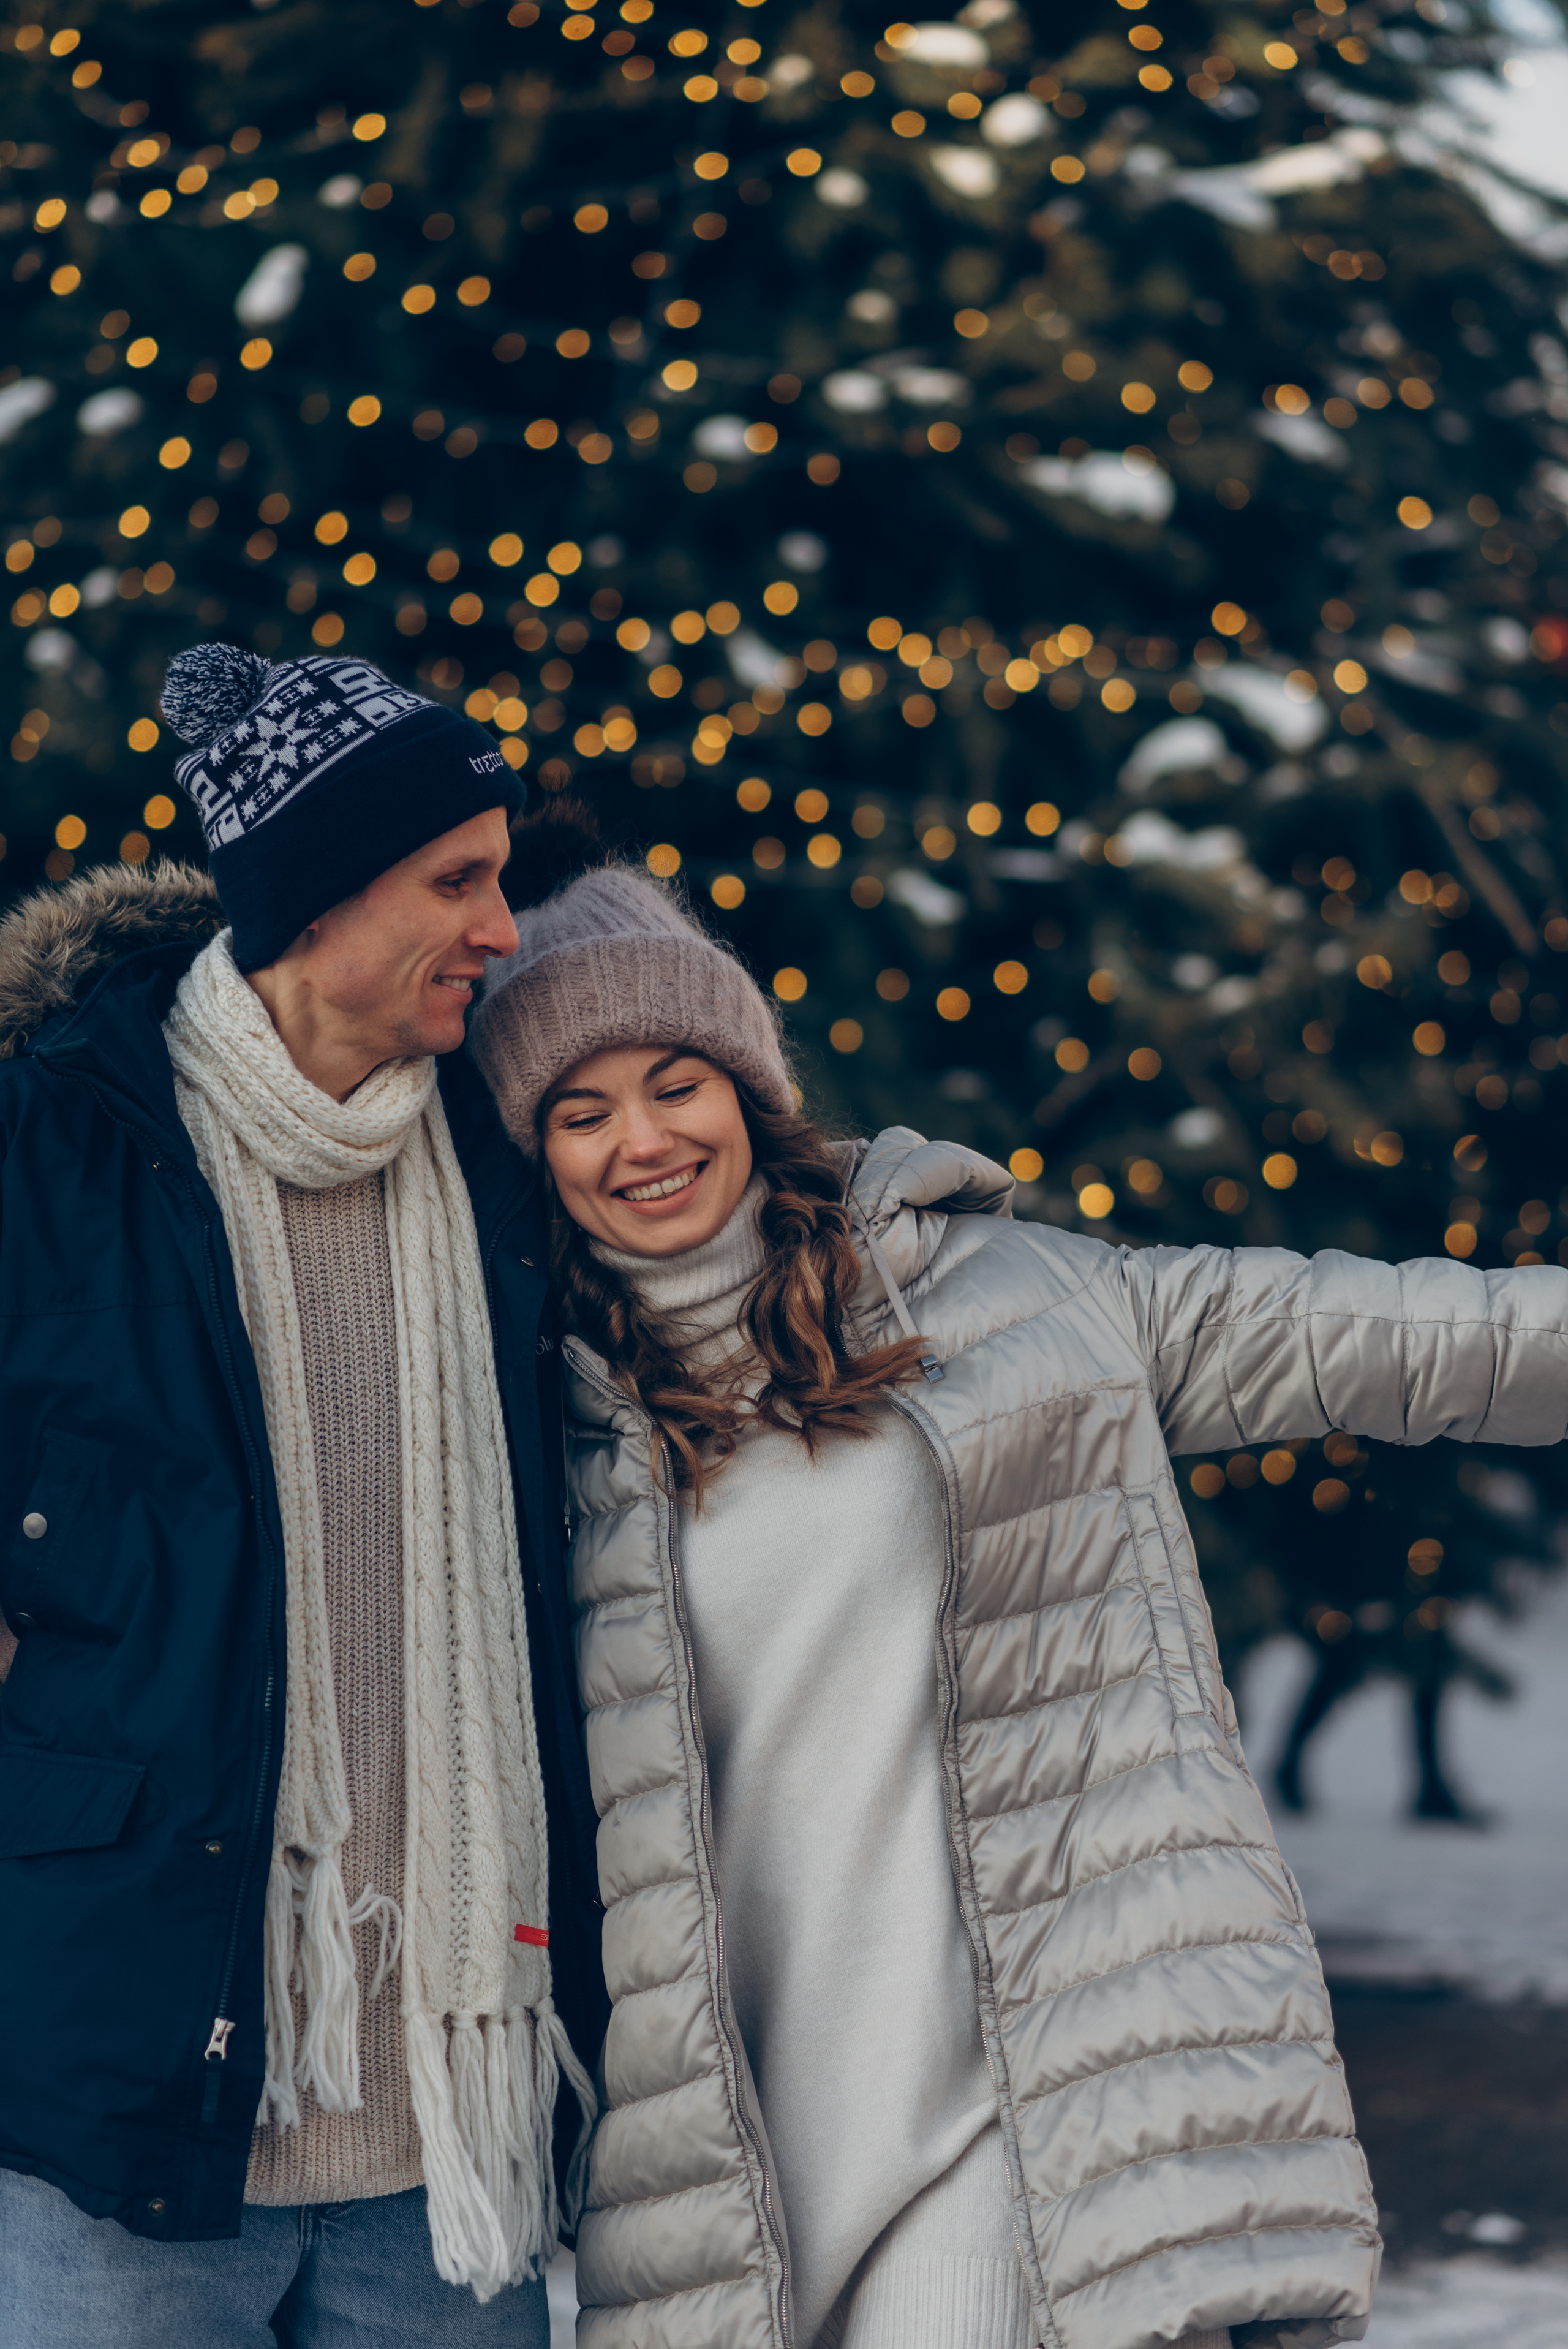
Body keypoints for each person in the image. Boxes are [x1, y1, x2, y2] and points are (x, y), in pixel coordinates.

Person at [469, 833, 1568, 2349]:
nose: (640, 1140)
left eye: (675, 1083)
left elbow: (1384, 1335)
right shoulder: (549, 1426)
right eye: (578, 1111)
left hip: (1026, 2088)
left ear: (745, 1089)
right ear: (533, 1149)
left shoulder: (1009, 1301)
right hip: (747, 2157)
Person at [0, 646, 602, 2349]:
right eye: (459, 882)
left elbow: (724, 1235)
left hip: (450, 2145)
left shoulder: (504, 1164)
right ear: (319, 897)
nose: (503, 929)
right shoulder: (54, 1147)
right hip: (128, 2114)